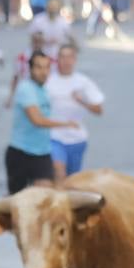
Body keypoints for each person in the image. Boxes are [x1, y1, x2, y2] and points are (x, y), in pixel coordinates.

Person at [5, 49, 78, 195]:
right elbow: (37, 120)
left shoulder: (44, 90)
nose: (43, 72)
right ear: (31, 69)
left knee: (45, 198)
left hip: (42, 153)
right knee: (17, 202)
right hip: (21, 153)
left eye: (46, 67)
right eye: (38, 67)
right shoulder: (26, 89)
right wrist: (66, 124)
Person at [45, 42, 103, 184]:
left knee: (72, 181)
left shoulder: (83, 82)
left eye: (69, 57)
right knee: (59, 173)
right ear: (57, 59)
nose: (66, 61)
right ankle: (58, 205)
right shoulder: (48, 81)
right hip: (53, 137)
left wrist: (82, 101)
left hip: (77, 138)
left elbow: (99, 110)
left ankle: (65, 203)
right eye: (62, 57)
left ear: (74, 60)